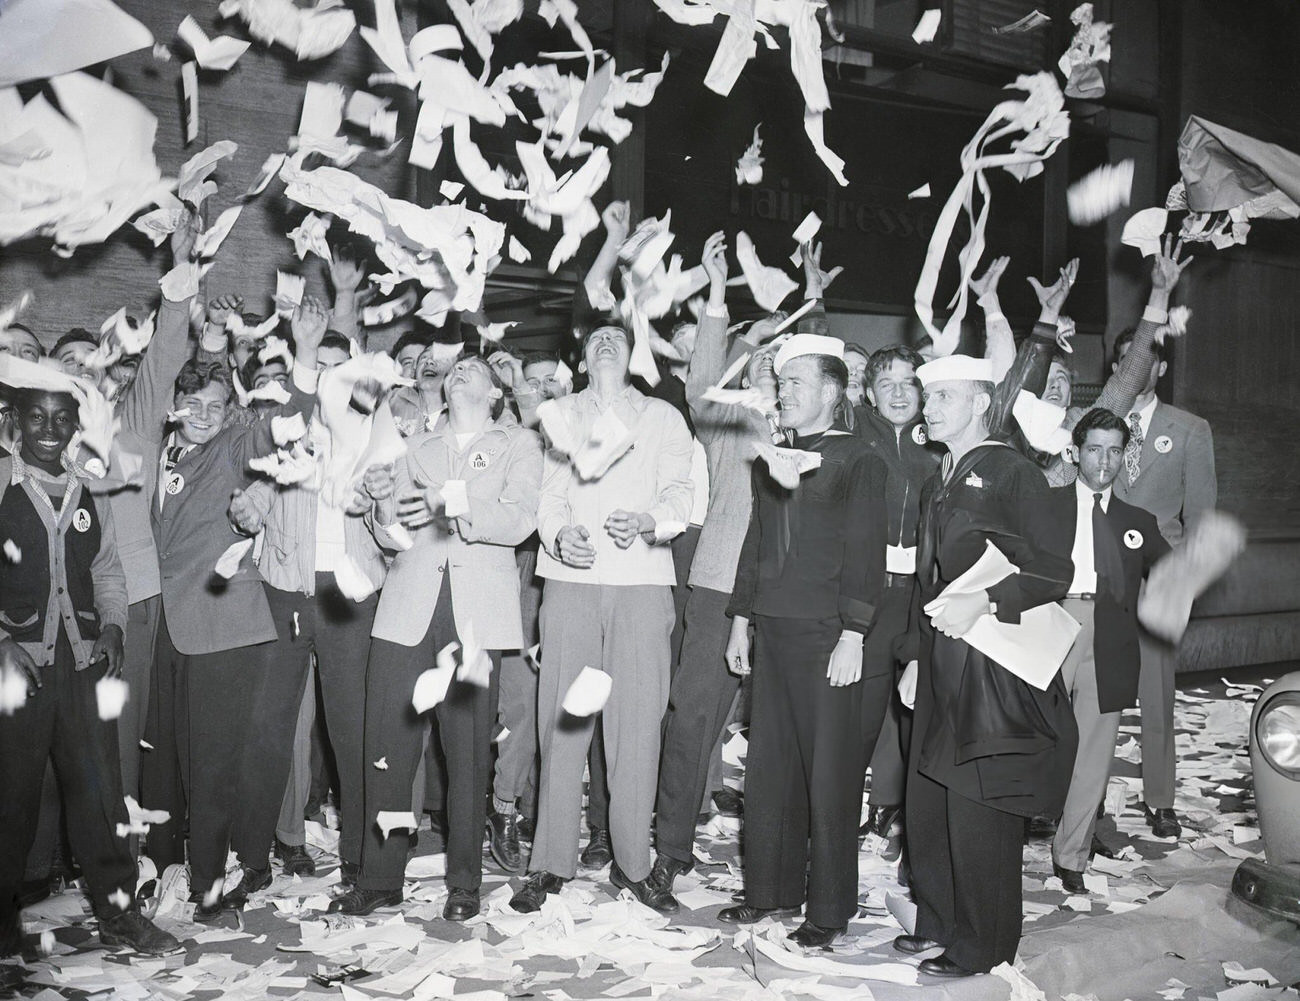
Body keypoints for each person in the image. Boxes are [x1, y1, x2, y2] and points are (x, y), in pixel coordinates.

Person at [331, 354, 542, 921]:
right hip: (406, 610)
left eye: (473, 368)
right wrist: (378, 501)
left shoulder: (518, 445)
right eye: (454, 370)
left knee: (468, 753)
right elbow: (392, 537)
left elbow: (521, 518)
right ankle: (380, 878)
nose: (459, 372)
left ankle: (465, 884)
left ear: (496, 393)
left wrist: (456, 503)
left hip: (476, 614)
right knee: (387, 749)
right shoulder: (410, 445)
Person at [893, 354, 1076, 977]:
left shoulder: (1011, 472)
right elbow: (928, 583)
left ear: (980, 402)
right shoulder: (937, 476)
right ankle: (939, 921)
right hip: (942, 658)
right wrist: (915, 657)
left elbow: (1054, 570)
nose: (929, 405)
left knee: (978, 805)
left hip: (992, 666)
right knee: (930, 799)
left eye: (944, 396)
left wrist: (987, 599)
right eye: (928, 394)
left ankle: (986, 942)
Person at [141, 300, 325, 921]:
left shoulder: (235, 442)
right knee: (170, 756)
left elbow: (284, 423)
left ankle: (211, 885)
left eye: (213, 406)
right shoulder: (162, 453)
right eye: (190, 404)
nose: (201, 415)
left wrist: (293, 353)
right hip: (168, 626)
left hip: (225, 626)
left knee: (214, 763)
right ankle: (169, 869)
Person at [510, 322, 693, 916]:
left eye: (617, 336)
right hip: (571, 584)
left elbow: (680, 496)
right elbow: (548, 497)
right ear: (581, 358)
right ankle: (548, 864)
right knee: (563, 722)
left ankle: (633, 866)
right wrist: (559, 537)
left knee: (637, 727)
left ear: (633, 352)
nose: (607, 343)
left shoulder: (663, 417)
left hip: (642, 583)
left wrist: (648, 521)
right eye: (595, 340)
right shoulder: (558, 414)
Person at [717, 333, 888, 949]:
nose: (782, 393)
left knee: (829, 775)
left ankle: (829, 907)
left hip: (827, 635)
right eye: (781, 383)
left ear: (832, 392)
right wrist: (742, 617)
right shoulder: (777, 453)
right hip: (776, 630)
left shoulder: (860, 460)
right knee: (770, 768)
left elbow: (868, 554)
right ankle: (769, 890)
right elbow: (757, 540)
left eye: (795, 383)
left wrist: (854, 632)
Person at [0, 384, 179, 957]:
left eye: (61, 418)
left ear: (76, 424)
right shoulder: (3, 482)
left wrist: (113, 625)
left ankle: (121, 918)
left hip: (82, 667)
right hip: (16, 672)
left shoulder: (89, 488)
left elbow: (107, 570)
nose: (48, 429)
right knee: (10, 800)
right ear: (17, 421)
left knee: (101, 797)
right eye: (36, 417)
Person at [653, 231, 780, 893]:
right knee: (694, 710)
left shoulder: (818, 424)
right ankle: (669, 846)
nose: (767, 360)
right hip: (721, 585)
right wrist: (718, 293)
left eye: (776, 351)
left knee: (781, 728)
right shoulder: (729, 421)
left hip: (793, 598)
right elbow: (700, 388)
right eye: (755, 350)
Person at [1046, 409, 1169, 891]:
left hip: (1110, 638)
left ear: (1125, 456)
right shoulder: (1045, 505)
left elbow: (1173, 579)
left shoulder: (1137, 521)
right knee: (1032, 740)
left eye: (1114, 450)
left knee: (1093, 752)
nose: (1104, 460)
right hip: (1049, 624)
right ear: (1075, 453)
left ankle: (1070, 857)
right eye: (1094, 449)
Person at [1110, 312, 1216, 840]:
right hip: (1102, 576)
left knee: (1157, 693)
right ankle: (1076, 794)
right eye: (1129, 355)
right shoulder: (1100, 424)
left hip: (1159, 579)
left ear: (1162, 365)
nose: (1139, 364)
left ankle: (1159, 799)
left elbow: (1200, 517)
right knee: (1090, 691)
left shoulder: (1190, 430)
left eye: (1148, 356)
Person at [851, 344, 939, 853]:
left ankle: (892, 805)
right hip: (868, 589)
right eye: (887, 384)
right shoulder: (857, 434)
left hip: (921, 593)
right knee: (865, 698)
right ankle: (851, 802)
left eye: (909, 382)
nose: (900, 393)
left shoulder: (938, 443)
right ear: (868, 393)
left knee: (912, 705)